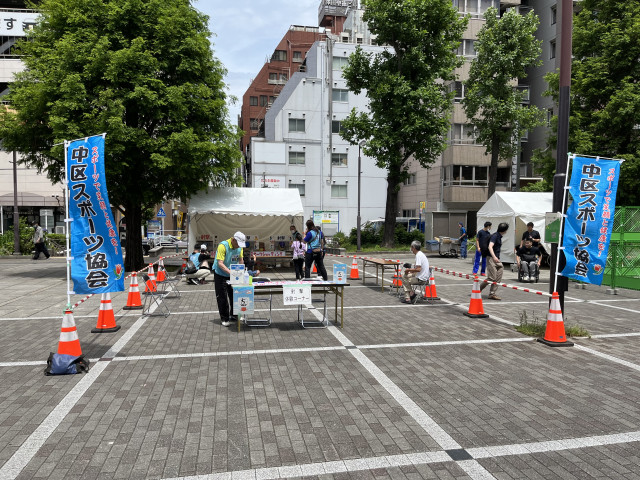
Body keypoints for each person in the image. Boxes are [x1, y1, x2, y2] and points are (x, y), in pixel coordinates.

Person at [213, 231, 246, 327]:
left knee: (235, 295)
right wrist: (231, 272)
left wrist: (241, 271)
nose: (238, 246)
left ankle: (234, 315)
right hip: (220, 274)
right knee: (222, 296)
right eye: (238, 244)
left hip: (233, 273)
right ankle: (224, 318)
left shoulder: (239, 248)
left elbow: (241, 260)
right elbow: (220, 263)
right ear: (233, 240)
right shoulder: (223, 246)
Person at [479, 222, 508, 301]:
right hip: (491, 258)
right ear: (505, 230)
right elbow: (490, 246)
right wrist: (494, 257)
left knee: (499, 272)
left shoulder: (499, 236)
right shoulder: (495, 236)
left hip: (496, 259)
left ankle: (492, 293)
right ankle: (478, 289)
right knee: (492, 278)